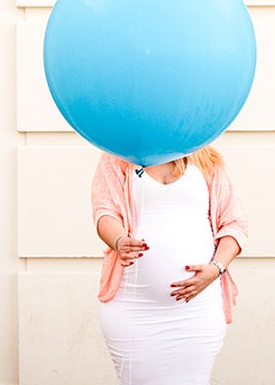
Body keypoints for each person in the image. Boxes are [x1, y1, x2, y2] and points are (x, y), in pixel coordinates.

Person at [91, 146, 248, 385]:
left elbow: (235, 224)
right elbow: (104, 211)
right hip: (134, 308)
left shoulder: (206, 159)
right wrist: (119, 240)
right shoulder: (118, 153)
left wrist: (216, 268)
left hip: (198, 311)